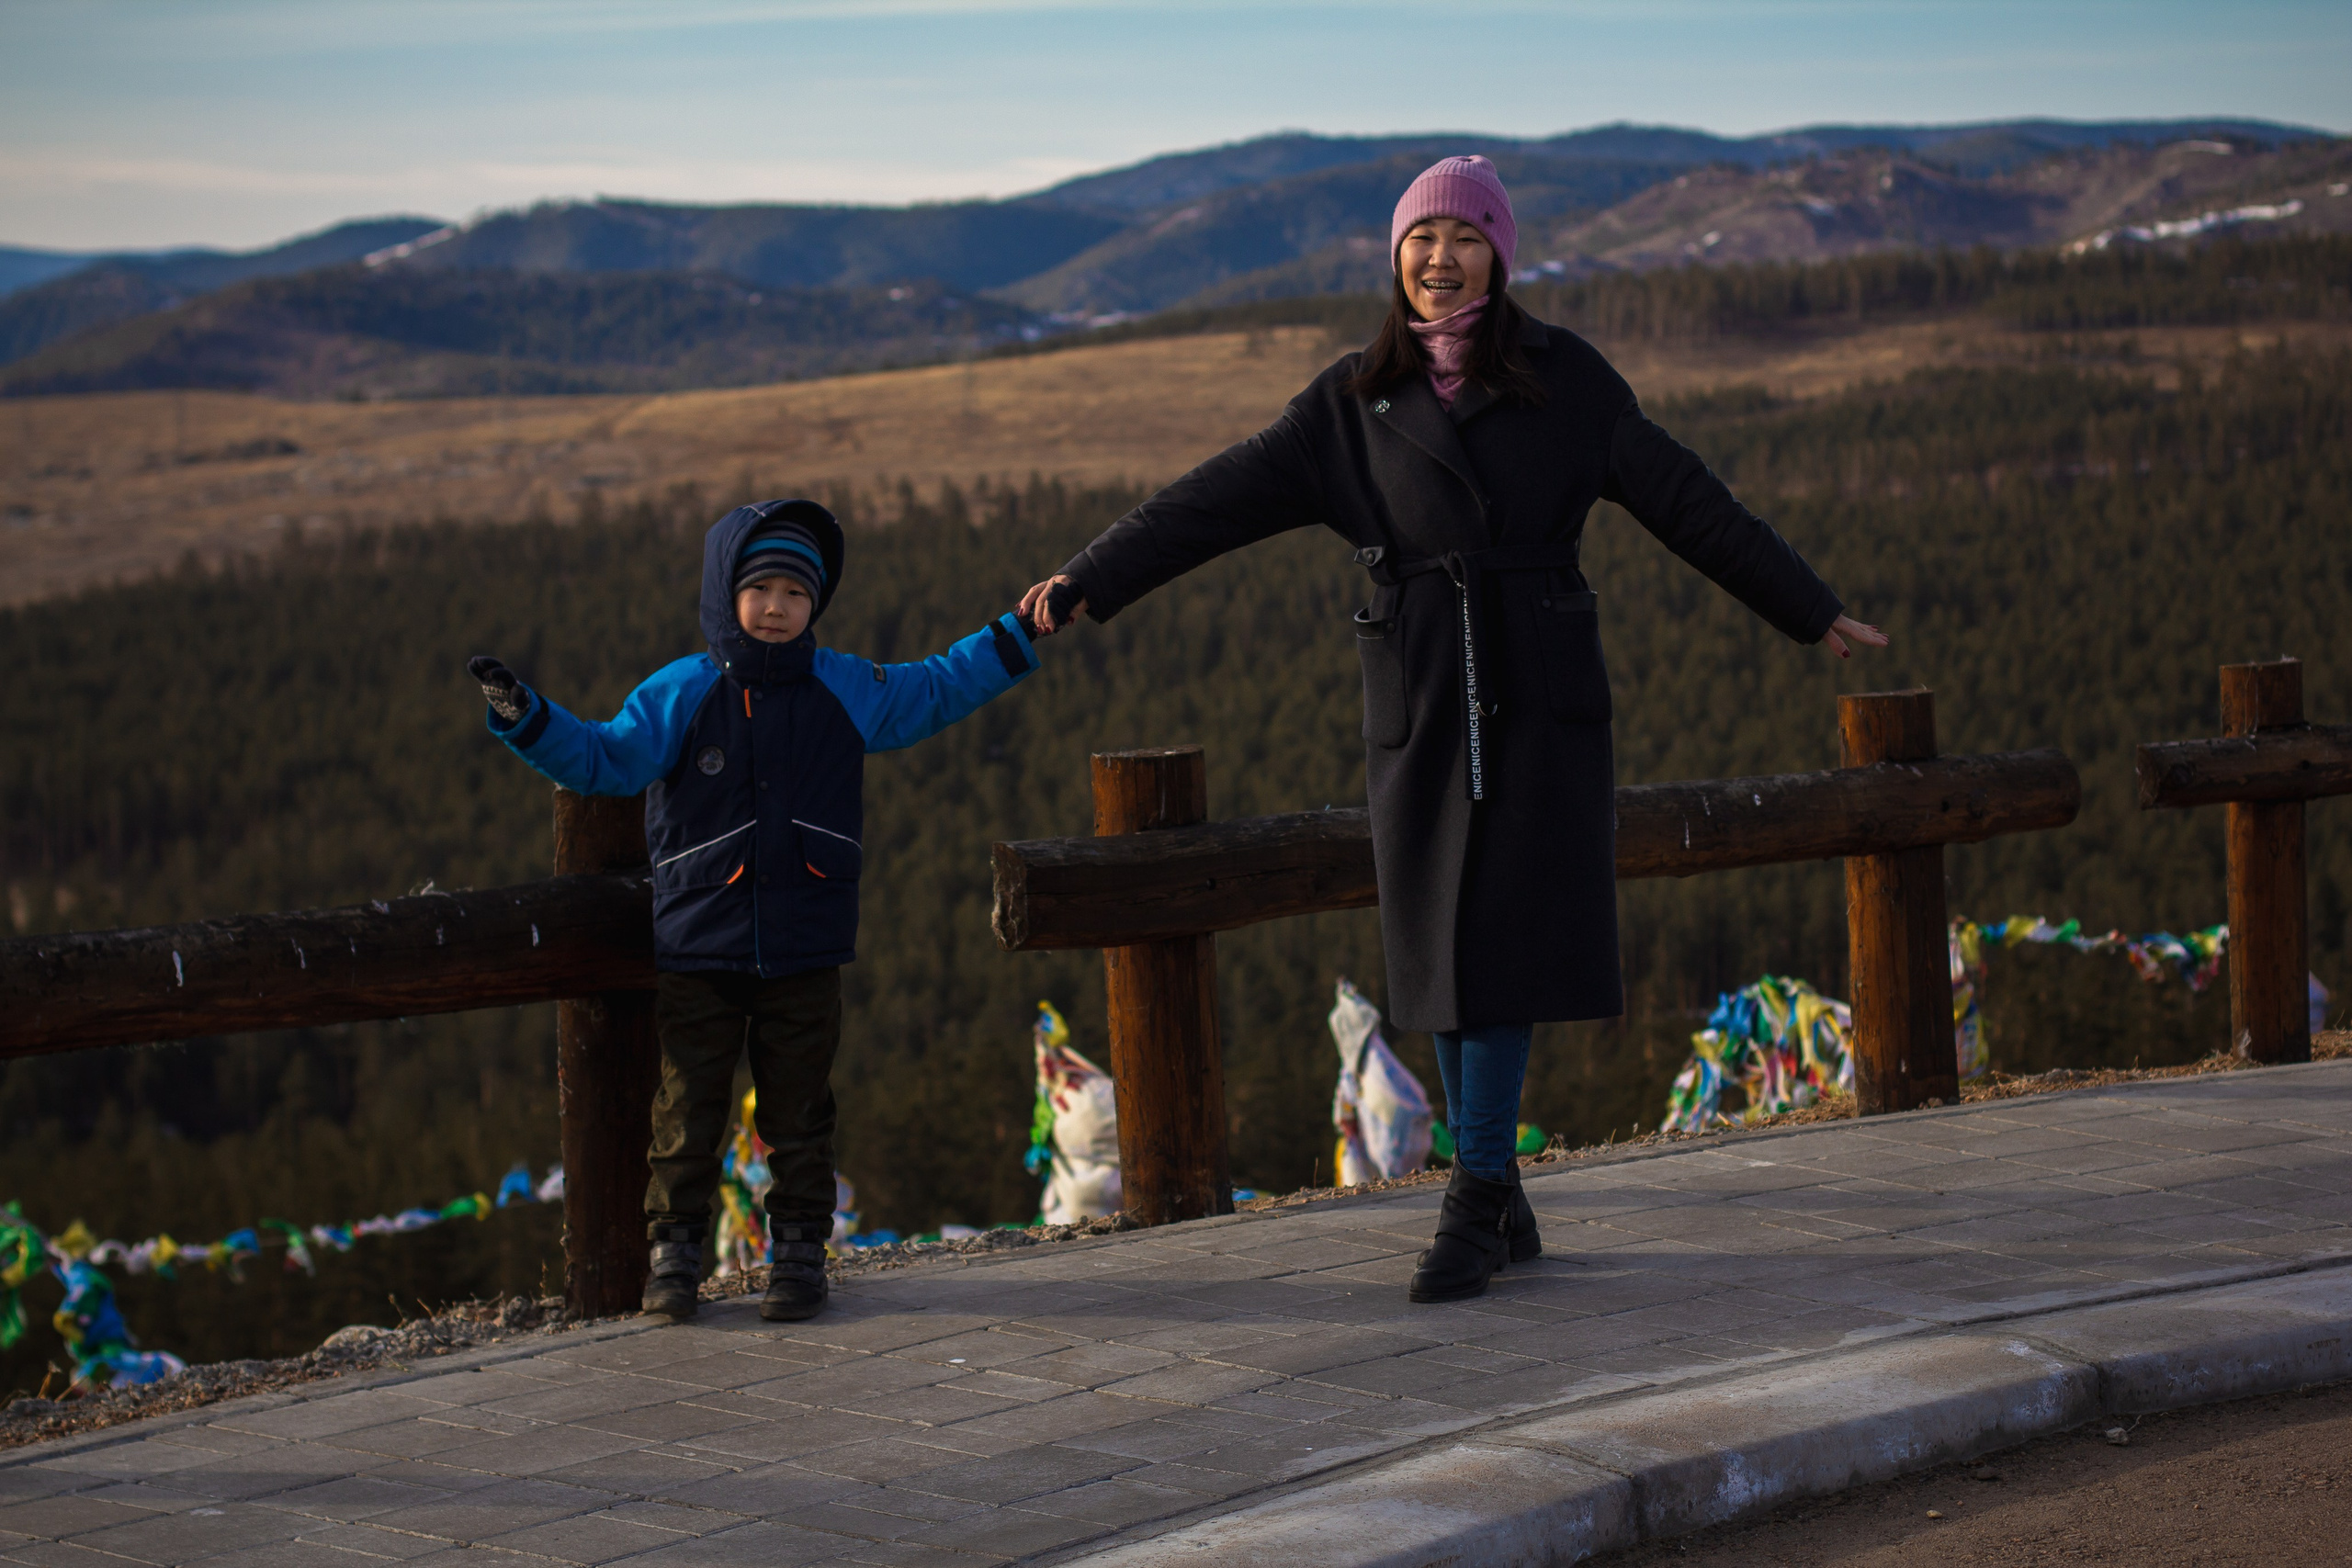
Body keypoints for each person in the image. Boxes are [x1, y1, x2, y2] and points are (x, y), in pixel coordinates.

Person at [1022, 156, 1885, 1305]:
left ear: (1499, 254)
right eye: (1418, 240)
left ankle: (1474, 1193)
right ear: (1395, 258)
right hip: (1421, 686)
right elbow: (1212, 500)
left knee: (1508, 942)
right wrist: (1093, 576)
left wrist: (1804, 601)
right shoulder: (1351, 400)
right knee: (1436, 946)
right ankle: (1503, 1192)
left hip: (1536, 680)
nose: (1439, 259)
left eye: (1463, 239)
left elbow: (1686, 498)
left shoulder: (1564, 377)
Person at [469, 499, 1045, 1322]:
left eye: (796, 594)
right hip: (699, 944)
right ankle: (673, 1261)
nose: (777, 608)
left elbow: (936, 689)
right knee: (687, 1111)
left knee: (801, 1112)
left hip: (807, 946)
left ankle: (800, 1257)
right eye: (760, 588)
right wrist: (524, 717)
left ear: (816, 605)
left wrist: (1013, 636)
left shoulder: (843, 686)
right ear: (723, 593)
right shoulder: (682, 691)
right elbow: (603, 757)